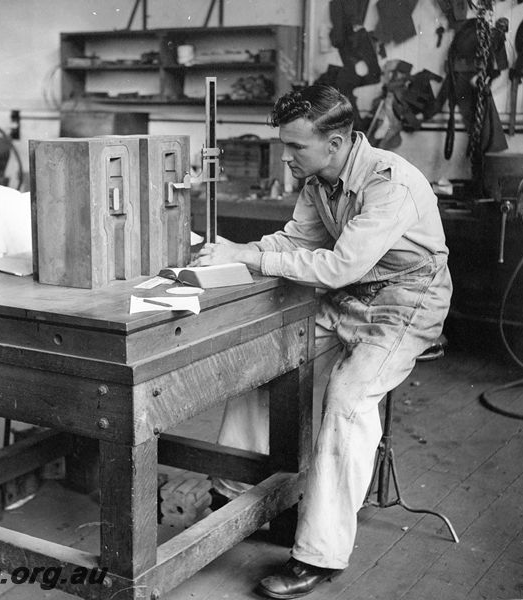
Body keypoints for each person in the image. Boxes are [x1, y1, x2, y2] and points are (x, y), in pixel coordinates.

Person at [191, 84, 452, 599]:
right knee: (260, 361)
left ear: (336, 143)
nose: (285, 156)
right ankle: (235, 499)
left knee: (348, 401)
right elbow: (296, 241)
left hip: (406, 301)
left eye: (296, 147)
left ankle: (319, 554)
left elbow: (337, 265)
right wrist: (231, 251)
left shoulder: (389, 183)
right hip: (348, 298)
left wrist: (251, 256)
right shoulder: (318, 180)